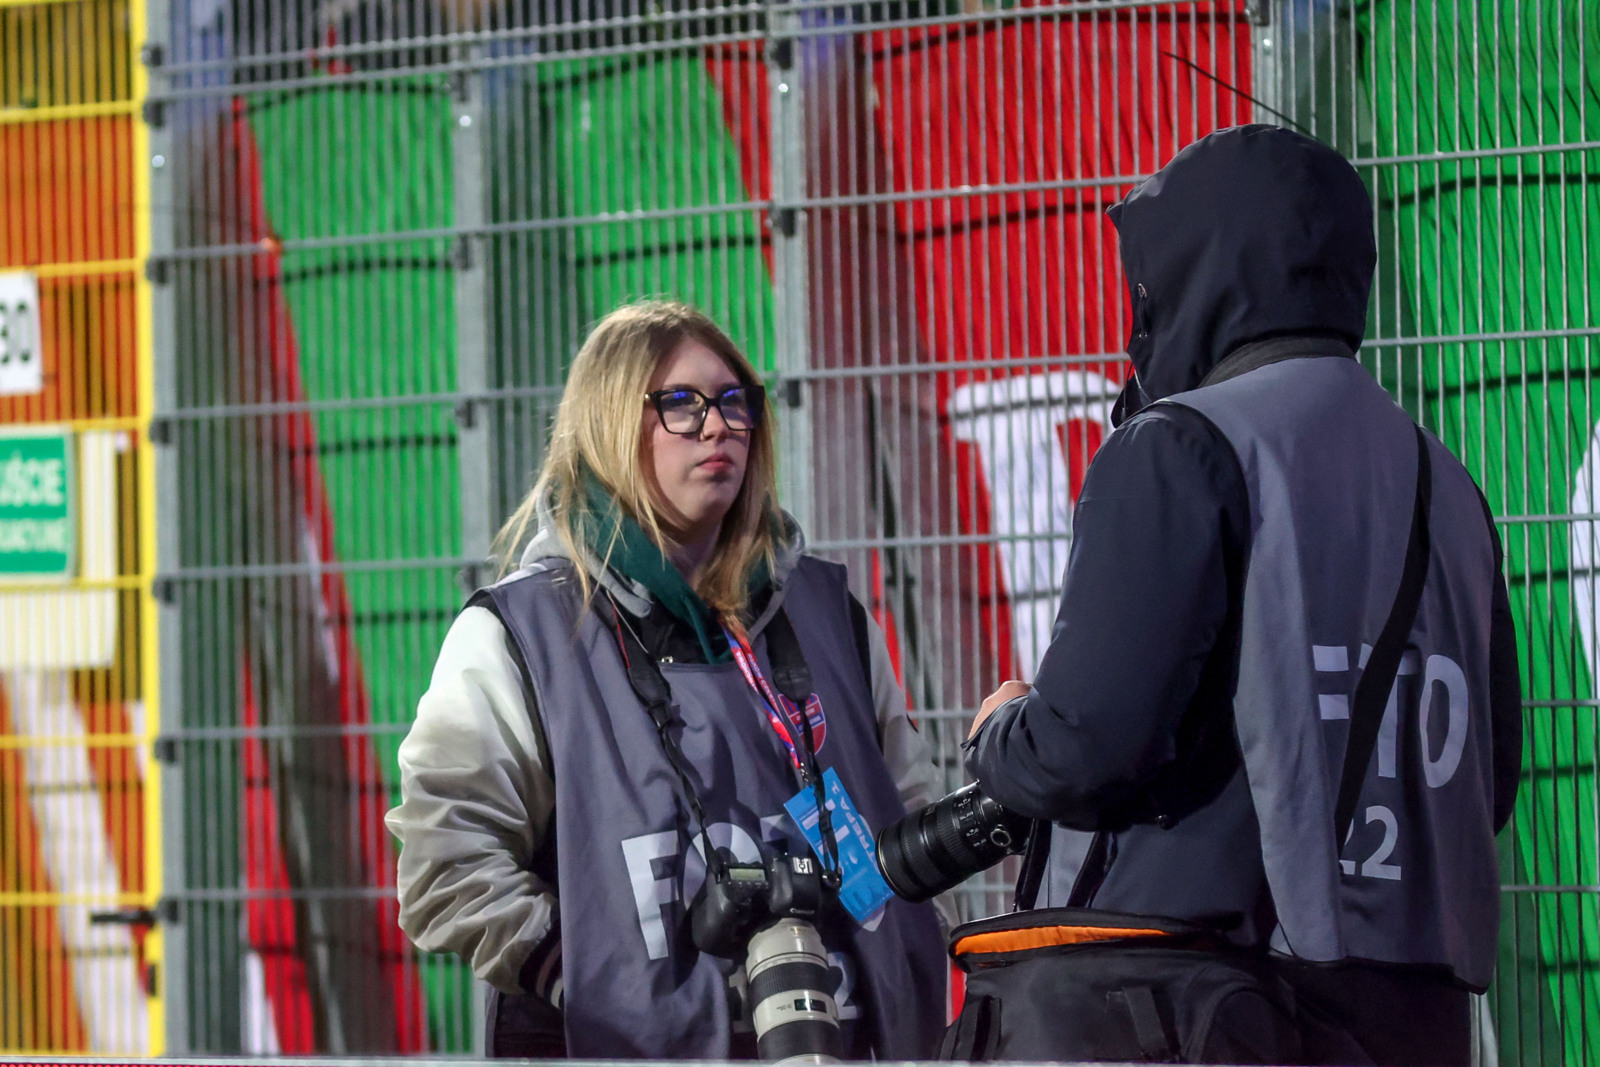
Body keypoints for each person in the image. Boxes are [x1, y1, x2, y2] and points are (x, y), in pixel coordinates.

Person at [964, 125, 1522, 1065]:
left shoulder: (1181, 446)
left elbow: (1086, 746)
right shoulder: (1446, 480)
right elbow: (1487, 777)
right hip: (1413, 1013)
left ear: (1197, 266)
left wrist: (998, 736)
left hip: (1199, 1005)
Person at [385, 301, 949, 1059]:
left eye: (733, 401)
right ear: (610, 422)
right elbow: (443, 862)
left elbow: (904, 809)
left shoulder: (825, 611)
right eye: (680, 404)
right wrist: (577, 973)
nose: (717, 426)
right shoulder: (522, 634)